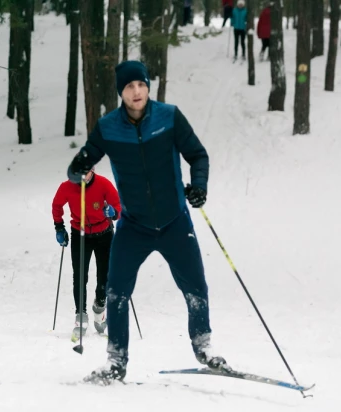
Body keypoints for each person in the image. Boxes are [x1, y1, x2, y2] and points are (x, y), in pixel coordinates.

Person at [67, 60, 226, 384]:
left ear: (148, 86)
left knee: (195, 287)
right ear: (121, 92)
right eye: (129, 87)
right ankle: (116, 361)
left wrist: (199, 186)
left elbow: (198, 155)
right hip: (134, 225)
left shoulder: (169, 117)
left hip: (175, 221)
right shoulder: (109, 127)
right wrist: (77, 168)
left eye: (140, 84)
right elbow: (79, 167)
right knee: (116, 292)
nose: (136, 91)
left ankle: (203, 347)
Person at [52, 168, 122, 338]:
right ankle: (80, 315)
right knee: (80, 275)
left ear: (93, 171)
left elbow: (118, 206)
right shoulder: (67, 187)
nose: (83, 177)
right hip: (80, 234)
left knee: (105, 276)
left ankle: (99, 308)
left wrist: (113, 213)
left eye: (86, 172)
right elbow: (57, 205)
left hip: (103, 234)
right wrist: (59, 227)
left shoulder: (103, 184)